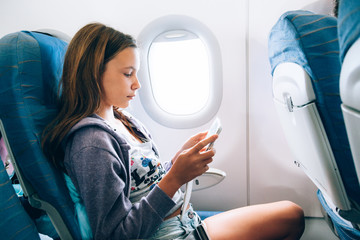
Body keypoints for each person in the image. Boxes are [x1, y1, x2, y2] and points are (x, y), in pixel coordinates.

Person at [42, 23, 305, 240]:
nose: (138, 84)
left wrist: (176, 162)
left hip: (183, 221)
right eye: (128, 74)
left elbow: (141, 183)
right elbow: (115, 236)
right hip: (167, 235)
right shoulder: (92, 144)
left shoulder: (123, 118)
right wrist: (175, 178)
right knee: (291, 217)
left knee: (292, 213)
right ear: (93, 73)